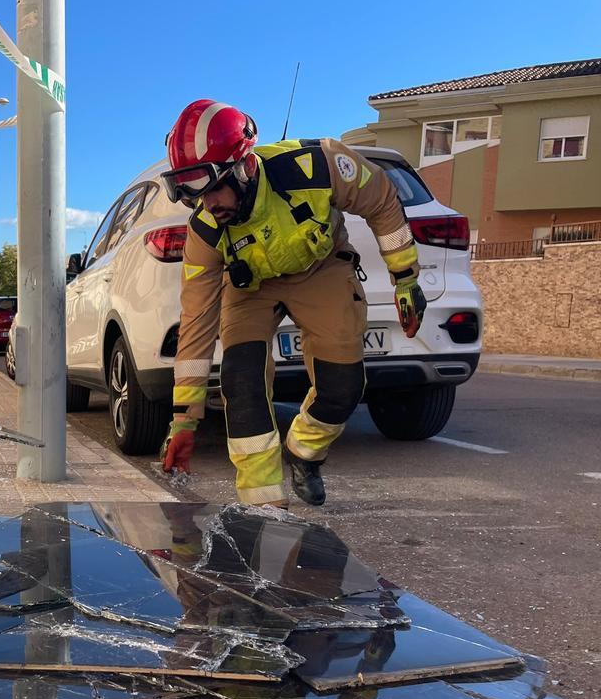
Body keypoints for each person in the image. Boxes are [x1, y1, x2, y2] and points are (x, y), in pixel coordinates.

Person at [159, 100, 425, 507]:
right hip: (251, 290)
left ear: (246, 167)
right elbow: (196, 324)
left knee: (343, 388)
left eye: (214, 189)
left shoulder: (320, 166)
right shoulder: (206, 232)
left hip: (322, 269)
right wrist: (184, 419)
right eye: (196, 194)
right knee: (240, 380)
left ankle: (304, 451)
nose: (208, 204)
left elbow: (382, 201)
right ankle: (262, 504)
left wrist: (405, 279)